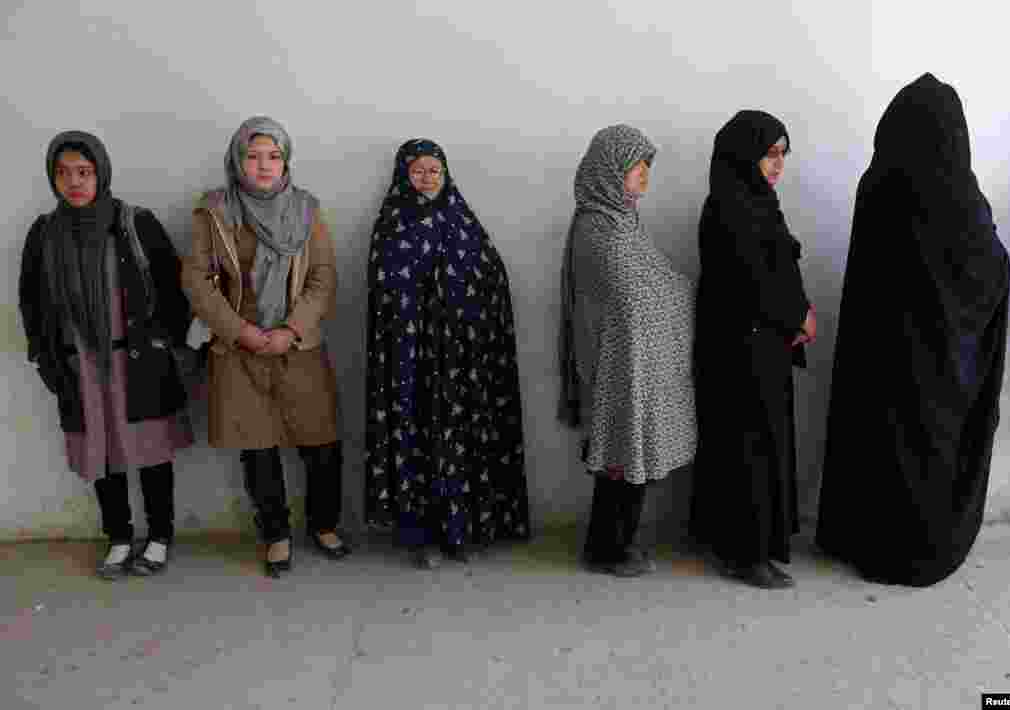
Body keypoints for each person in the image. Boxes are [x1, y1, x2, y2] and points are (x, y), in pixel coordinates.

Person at [815, 74, 1010, 587]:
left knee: (878, 445)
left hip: (879, 359)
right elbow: (991, 270)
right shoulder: (962, 200)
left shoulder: (878, 184)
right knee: (929, 453)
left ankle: (864, 539)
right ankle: (920, 548)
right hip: (940, 371)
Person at [19, 131, 193, 579]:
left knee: (151, 450)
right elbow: (32, 303)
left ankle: (158, 536)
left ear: (101, 172)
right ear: (53, 178)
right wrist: (45, 359)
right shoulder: (44, 234)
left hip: (137, 360)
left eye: (84, 172)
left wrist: (170, 346)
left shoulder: (135, 223)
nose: (74, 182)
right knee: (102, 453)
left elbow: (175, 290)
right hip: (81, 365)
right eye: (64, 173)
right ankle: (118, 536)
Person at [181, 116, 348, 578]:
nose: (263, 166)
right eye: (253, 156)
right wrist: (242, 331)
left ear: (286, 160)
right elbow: (196, 280)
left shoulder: (307, 209)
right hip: (239, 347)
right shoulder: (213, 210)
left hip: (299, 344)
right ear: (238, 159)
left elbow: (323, 276)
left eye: (274, 156)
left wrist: (290, 330)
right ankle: (275, 534)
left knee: (321, 442)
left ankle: (325, 525)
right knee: (257, 447)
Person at [364, 139, 531, 569]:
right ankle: (423, 538)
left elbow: (491, 274)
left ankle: (462, 532)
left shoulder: (462, 219)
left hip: (461, 361)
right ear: (404, 174)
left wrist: (467, 313)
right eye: (418, 170)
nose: (427, 177)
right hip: (412, 361)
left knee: (458, 441)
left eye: (434, 170)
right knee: (418, 442)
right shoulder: (393, 223)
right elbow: (385, 288)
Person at [559, 124, 697, 577]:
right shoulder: (595, 227)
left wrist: (673, 294)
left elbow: (658, 286)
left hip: (637, 362)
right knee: (619, 460)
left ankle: (621, 544)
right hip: (616, 365)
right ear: (611, 170)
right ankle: (606, 550)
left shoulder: (624, 221)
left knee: (631, 456)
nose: (644, 177)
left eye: (646, 168)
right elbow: (633, 293)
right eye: (638, 168)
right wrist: (677, 294)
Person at [688, 111, 816, 589]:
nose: (778, 163)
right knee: (750, 446)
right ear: (745, 155)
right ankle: (746, 553)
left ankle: (745, 544)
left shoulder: (757, 201)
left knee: (759, 442)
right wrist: (796, 316)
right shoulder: (730, 206)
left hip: (762, 345)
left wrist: (799, 312)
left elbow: (778, 265)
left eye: (784, 153)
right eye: (770, 153)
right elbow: (751, 280)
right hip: (742, 350)